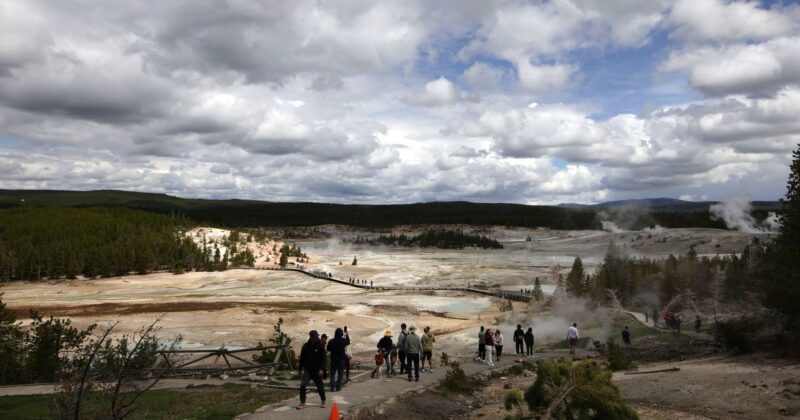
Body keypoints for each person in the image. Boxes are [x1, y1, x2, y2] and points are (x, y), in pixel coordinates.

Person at [297, 330, 326, 409]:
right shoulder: (305, 346)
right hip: (307, 370)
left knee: (320, 387)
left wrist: (321, 369)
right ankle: (303, 402)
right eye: (315, 337)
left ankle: (323, 400)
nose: (317, 338)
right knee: (303, 385)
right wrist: (300, 369)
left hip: (317, 370)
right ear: (311, 337)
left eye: (317, 337)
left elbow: (323, 359)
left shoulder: (321, 346)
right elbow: (302, 358)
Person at [326, 327, 350, 391]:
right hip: (341, 359)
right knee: (340, 373)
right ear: (341, 333)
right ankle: (338, 387)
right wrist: (347, 334)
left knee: (332, 373)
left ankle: (332, 387)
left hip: (333, 358)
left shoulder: (331, 341)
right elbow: (348, 342)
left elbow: (328, 349)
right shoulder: (343, 340)